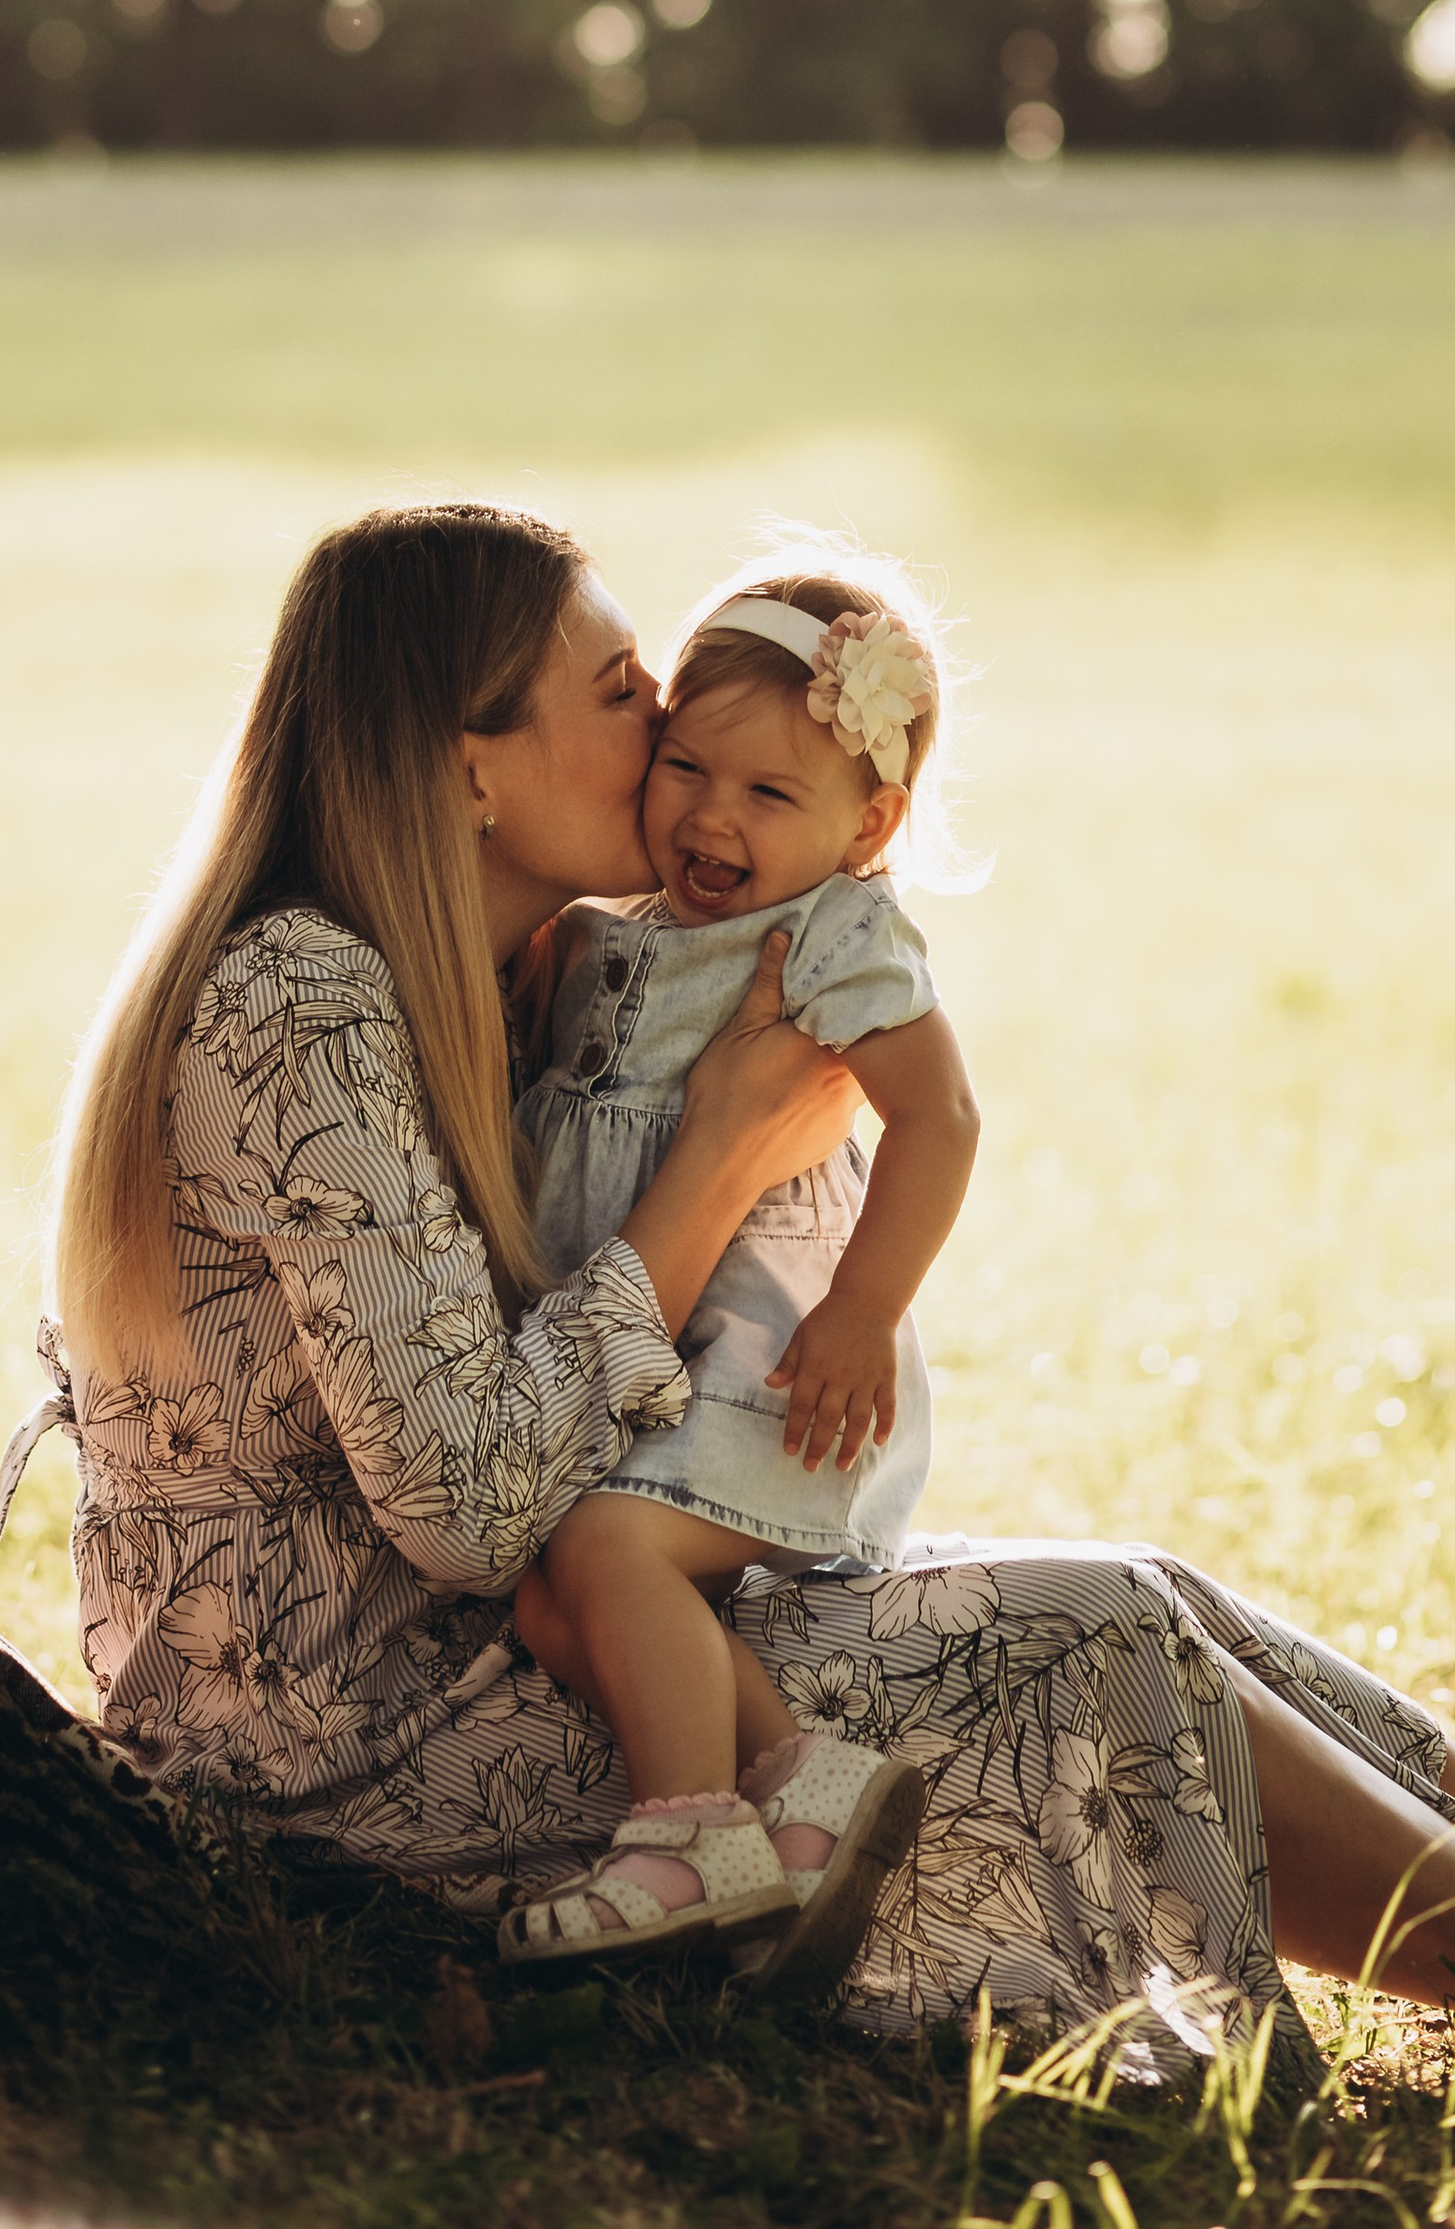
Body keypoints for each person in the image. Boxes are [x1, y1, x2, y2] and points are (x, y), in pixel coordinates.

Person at [6, 501, 1455, 2099]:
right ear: (468, 764)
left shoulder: (499, 979)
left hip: (514, 1624)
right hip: (363, 1748)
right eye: (621, 698)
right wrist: (719, 1158)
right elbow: (455, 1502)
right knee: (1078, 1635)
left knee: (1146, 1589)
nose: (670, 725)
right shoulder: (297, 1003)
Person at [500, 562, 981, 1981]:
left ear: (869, 822)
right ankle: (804, 1790)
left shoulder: (835, 933)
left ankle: (686, 1841)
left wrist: (866, 1308)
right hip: (643, 1363)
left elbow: (941, 1118)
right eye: (686, 766)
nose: (712, 815)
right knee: (548, 1593)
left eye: (772, 795)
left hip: (770, 1363)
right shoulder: (611, 932)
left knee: (601, 1546)